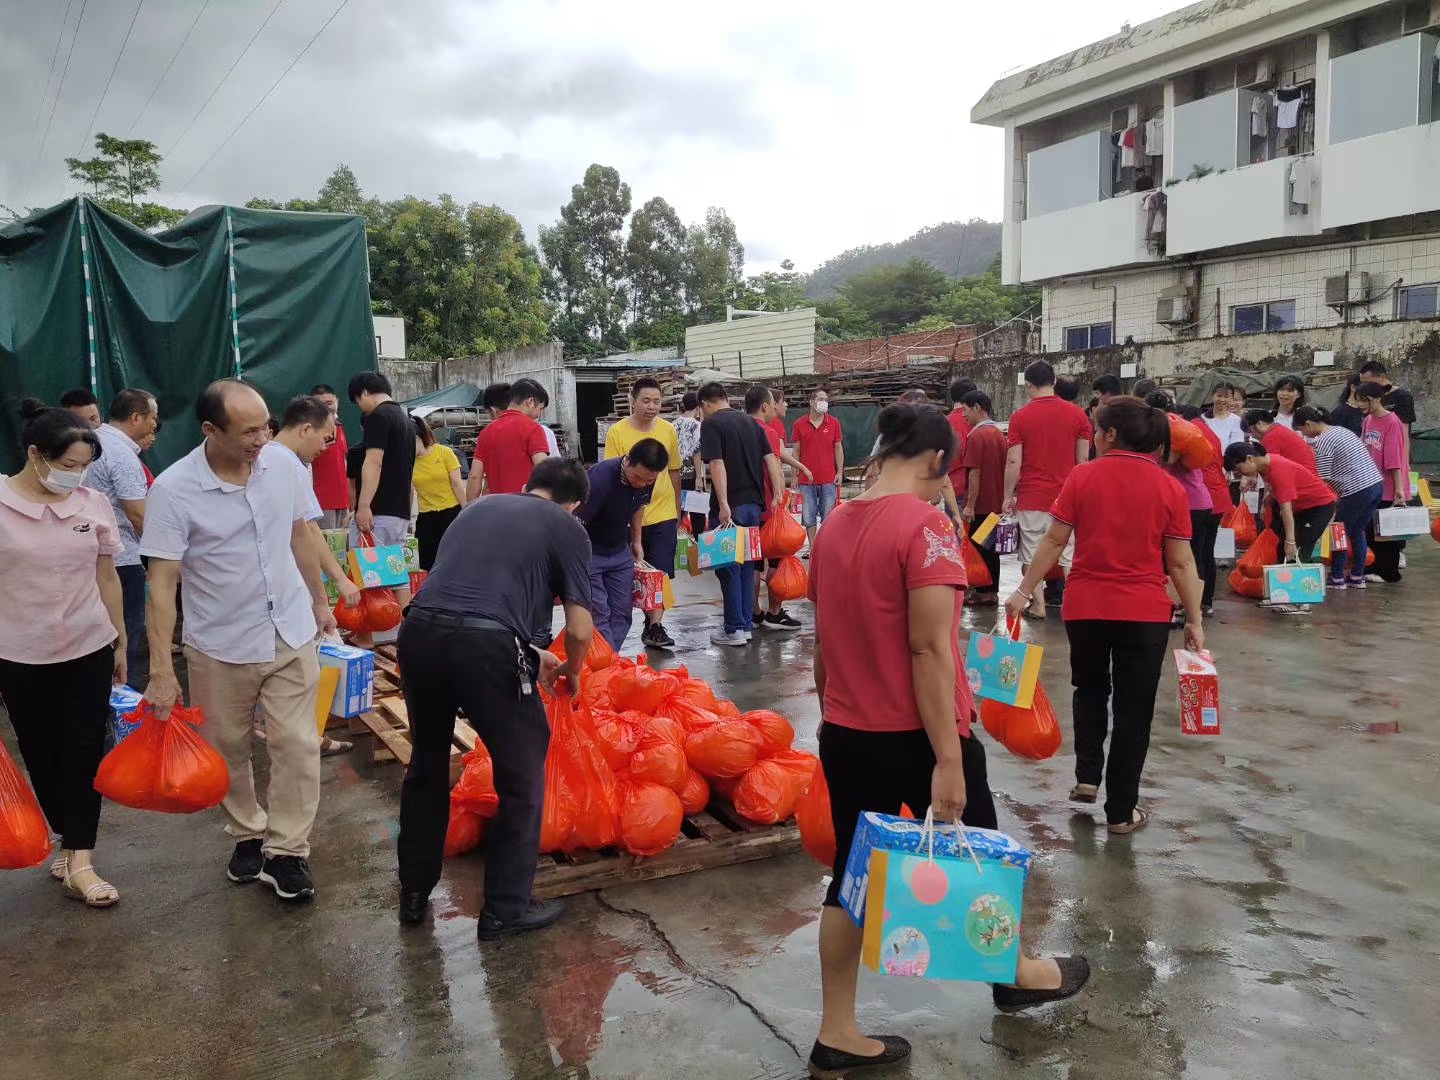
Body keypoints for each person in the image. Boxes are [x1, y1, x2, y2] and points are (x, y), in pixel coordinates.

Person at [808, 402, 1089, 1078]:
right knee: (982, 857)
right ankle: (1017, 972)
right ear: (937, 461)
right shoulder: (929, 530)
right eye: (949, 470)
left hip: (846, 732)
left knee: (850, 880)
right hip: (917, 734)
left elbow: (823, 645)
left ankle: (836, 1032)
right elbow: (930, 650)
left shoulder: (832, 526)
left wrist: (831, 718)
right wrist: (947, 758)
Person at [142, 380, 330, 903]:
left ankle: (288, 851)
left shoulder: (284, 466)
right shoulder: (174, 490)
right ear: (210, 430)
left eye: (266, 426)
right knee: (228, 750)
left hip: (289, 629)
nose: (262, 439)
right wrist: (161, 669)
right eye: (249, 431)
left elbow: (300, 535)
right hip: (220, 643)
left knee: (298, 743)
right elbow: (162, 583)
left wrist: (319, 603)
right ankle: (248, 833)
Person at [396, 457, 595, 939]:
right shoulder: (566, 527)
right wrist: (574, 669)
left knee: (425, 765)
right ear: (574, 504)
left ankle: (414, 895)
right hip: (486, 650)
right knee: (523, 772)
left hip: (418, 633)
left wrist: (528, 651)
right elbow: (580, 628)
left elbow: (468, 595)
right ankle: (505, 908)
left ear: (529, 485)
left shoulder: (478, 507)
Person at [1007, 396, 1203, 833]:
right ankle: (1121, 813)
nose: (1093, 437)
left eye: (1095, 430)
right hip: (1144, 613)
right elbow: (1181, 563)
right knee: (1135, 710)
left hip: (1087, 607)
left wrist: (1023, 591)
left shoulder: (1082, 477)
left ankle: (1087, 776)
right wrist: (1194, 619)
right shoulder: (1169, 486)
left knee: (1089, 689)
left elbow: (1055, 542)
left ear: (1111, 434)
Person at [0, 400, 124, 908]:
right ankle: (64, 835)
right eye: (67, 466)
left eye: (83, 467)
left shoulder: (92, 504)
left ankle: (81, 858)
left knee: (83, 753)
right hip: (18, 653)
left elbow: (106, 575)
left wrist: (118, 640)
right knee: (42, 755)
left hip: (86, 645)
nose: (76, 477)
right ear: (35, 454)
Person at [265, 397, 361, 756]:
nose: (326, 449)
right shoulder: (285, 464)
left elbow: (308, 528)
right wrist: (326, 594)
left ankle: (301, 735)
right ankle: (302, 741)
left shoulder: (281, 461)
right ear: (305, 428)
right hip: (284, 588)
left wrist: (337, 580)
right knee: (299, 671)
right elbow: (304, 533)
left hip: (283, 586)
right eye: (324, 439)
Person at [1002, 360, 1093, 619]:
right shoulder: (1078, 416)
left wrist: (1008, 495)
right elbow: (1083, 462)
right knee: (1069, 552)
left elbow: (1013, 461)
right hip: (1068, 497)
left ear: (1028, 385)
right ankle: (1073, 605)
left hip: (1032, 497)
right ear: (1054, 382)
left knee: (1031, 551)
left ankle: (1038, 605)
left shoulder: (1020, 416)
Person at [698, 381, 783, 647]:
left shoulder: (711, 424)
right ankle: (745, 625)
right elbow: (771, 459)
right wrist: (778, 493)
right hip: (753, 506)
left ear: (704, 404)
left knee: (727, 567)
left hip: (731, 506)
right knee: (748, 566)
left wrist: (722, 503)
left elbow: (716, 463)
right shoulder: (751, 423)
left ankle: (734, 628)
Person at [86, 389, 158, 688]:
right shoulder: (120, 454)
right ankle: (127, 707)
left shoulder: (91, 441)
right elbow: (137, 514)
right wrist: (159, 558)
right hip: (122, 560)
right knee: (127, 634)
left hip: (93, 555)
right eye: (153, 417)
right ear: (136, 417)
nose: (155, 424)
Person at [604, 377, 682, 650]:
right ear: (633, 401)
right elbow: (613, 474)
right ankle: (619, 625)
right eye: (646, 401)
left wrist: (677, 509)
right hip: (628, 515)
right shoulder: (617, 432)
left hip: (663, 514)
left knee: (660, 572)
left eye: (657, 401)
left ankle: (655, 626)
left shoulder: (668, 430)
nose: (652, 407)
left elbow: (674, 471)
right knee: (629, 573)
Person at [348, 371, 417, 642]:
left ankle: (364, 639)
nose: (360, 407)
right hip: (398, 510)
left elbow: (373, 462)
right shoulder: (404, 419)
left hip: (378, 510)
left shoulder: (378, 417)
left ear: (363, 392)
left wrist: (364, 505)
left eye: (357, 401)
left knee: (363, 571)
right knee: (396, 572)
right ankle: (408, 634)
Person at [579, 439, 665, 650]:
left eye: (648, 481)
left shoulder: (648, 478)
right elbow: (577, 521)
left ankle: (608, 658)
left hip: (620, 551)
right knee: (599, 613)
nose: (642, 484)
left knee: (622, 613)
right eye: (637, 477)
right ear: (627, 461)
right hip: (591, 552)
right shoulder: (598, 479)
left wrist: (637, 541)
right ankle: (606, 665)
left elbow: (639, 507)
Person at [1223, 442, 1337, 601]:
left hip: (1318, 508)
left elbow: (1286, 510)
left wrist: (1290, 541)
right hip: (1301, 508)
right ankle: (1284, 593)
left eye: (1239, 469)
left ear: (1249, 459)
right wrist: (1269, 498)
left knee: (1297, 550)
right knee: (1282, 549)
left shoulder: (1278, 470)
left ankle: (1300, 600)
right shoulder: (1264, 465)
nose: (1241, 473)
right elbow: (1276, 489)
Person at [1296, 405, 1383, 589]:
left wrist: (1327, 506)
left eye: (1302, 429)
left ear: (1308, 424)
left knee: (1339, 532)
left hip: (1356, 490)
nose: (1303, 434)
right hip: (1375, 485)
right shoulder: (1341, 431)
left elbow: (1324, 478)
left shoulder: (1324, 441)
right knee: (1357, 531)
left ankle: (1337, 577)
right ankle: (1357, 576)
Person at [1147, 393, 1215, 625]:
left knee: (1182, 559)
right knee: (1198, 556)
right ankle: (1200, 605)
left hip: (1188, 504)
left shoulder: (1170, 432)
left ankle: (1182, 608)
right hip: (1200, 501)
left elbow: (1166, 460)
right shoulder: (1183, 428)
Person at [749, 386, 811, 631]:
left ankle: (753, 612)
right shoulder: (769, 431)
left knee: (753, 563)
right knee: (776, 561)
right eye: (780, 402)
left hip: (746, 507)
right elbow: (775, 464)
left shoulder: (740, 429)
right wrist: (779, 495)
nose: (783, 407)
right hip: (768, 508)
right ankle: (774, 612)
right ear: (767, 405)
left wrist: (801, 466)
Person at [1357, 380, 1412, 583]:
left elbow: (1394, 458)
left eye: (1365, 400)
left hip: (1389, 484)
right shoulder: (1368, 421)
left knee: (1386, 531)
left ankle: (1388, 572)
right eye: (1359, 400)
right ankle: (1372, 566)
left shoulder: (1392, 421)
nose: (1362, 405)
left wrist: (1399, 488)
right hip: (1371, 482)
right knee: (1371, 528)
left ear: (1378, 399)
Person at [1181, 403, 1232, 615]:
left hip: (1202, 499)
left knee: (1194, 554)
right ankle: (1206, 602)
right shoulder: (1209, 431)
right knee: (1206, 552)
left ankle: (1194, 603)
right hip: (1217, 497)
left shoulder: (1189, 432)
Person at [958, 390, 1006, 606]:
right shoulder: (998, 433)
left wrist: (969, 505)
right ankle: (991, 591)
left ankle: (984, 592)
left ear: (977, 407)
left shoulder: (976, 436)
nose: (963, 415)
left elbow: (974, 473)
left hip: (980, 505)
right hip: (995, 503)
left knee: (979, 549)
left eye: (965, 410)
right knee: (990, 549)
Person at [468, 378, 550, 500]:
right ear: (530, 402)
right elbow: (544, 472)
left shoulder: (485, 433)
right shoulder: (534, 429)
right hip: (527, 507)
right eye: (540, 408)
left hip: (497, 508)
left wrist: (469, 508)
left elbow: (475, 476)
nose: (539, 415)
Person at [791, 387, 845, 551]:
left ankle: (825, 546)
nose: (824, 403)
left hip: (828, 478)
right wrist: (794, 475)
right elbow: (796, 451)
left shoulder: (833, 422)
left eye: (826, 400)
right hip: (806, 480)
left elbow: (838, 447)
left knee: (828, 516)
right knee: (809, 516)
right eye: (821, 399)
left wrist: (840, 472)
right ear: (811, 402)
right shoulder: (799, 424)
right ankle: (813, 547)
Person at [410, 415, 466, 571]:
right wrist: (405, 518)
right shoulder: (409, 461)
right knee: (427, 563)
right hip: (426, 517)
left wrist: (466, 509)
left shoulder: (444, 452)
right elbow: (409, 491)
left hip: (451, 513)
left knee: (454, 559)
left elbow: (457, 485)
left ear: (417, 438)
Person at [309, 384, 351, 530]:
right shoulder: (310, 430)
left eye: (329, 403)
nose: (325, 407)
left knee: (341, 548)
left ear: (337, 403)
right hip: (322, 500)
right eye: (319, 404)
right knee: (327, 545)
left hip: (343, 500)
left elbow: (344, 463)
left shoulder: (339, 427)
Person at [1244, 409, 1319, 475]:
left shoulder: (1271, 437)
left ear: (1259, 424)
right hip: (1307, 475)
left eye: (1250, 431)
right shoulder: (1279, 430)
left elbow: (1272, 469)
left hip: (1302, 479)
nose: (1252, 436)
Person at [674, 390, 706, 537]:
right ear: (698, 407)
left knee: (678, 512)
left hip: (675, 475)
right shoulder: (696, 425)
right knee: (698, 515)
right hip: (692, 474)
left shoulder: (674, 424)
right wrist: (699, 477)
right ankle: (698, 548)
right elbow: (697, 451)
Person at [944, 377, 976, 517]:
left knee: (955, 536)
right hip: (978, 488)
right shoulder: (978, 421)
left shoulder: (944, 423)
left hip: (953, 489)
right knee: (980, 536)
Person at [1357, 361, 1417, 432]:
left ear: (1382, 377)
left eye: (1367, 382)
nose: (1365, 386)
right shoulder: (1366, 398)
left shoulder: (1402, 396)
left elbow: (1404, 431)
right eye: (1362, 383)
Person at [1202, 381, 1246, 447]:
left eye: (1226, 397)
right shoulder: (1202, 419)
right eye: (1219, 396)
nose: (1222, 400)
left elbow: (1237, 446)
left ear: (1231, 398)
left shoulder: (1236, 420)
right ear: (1213, 396)